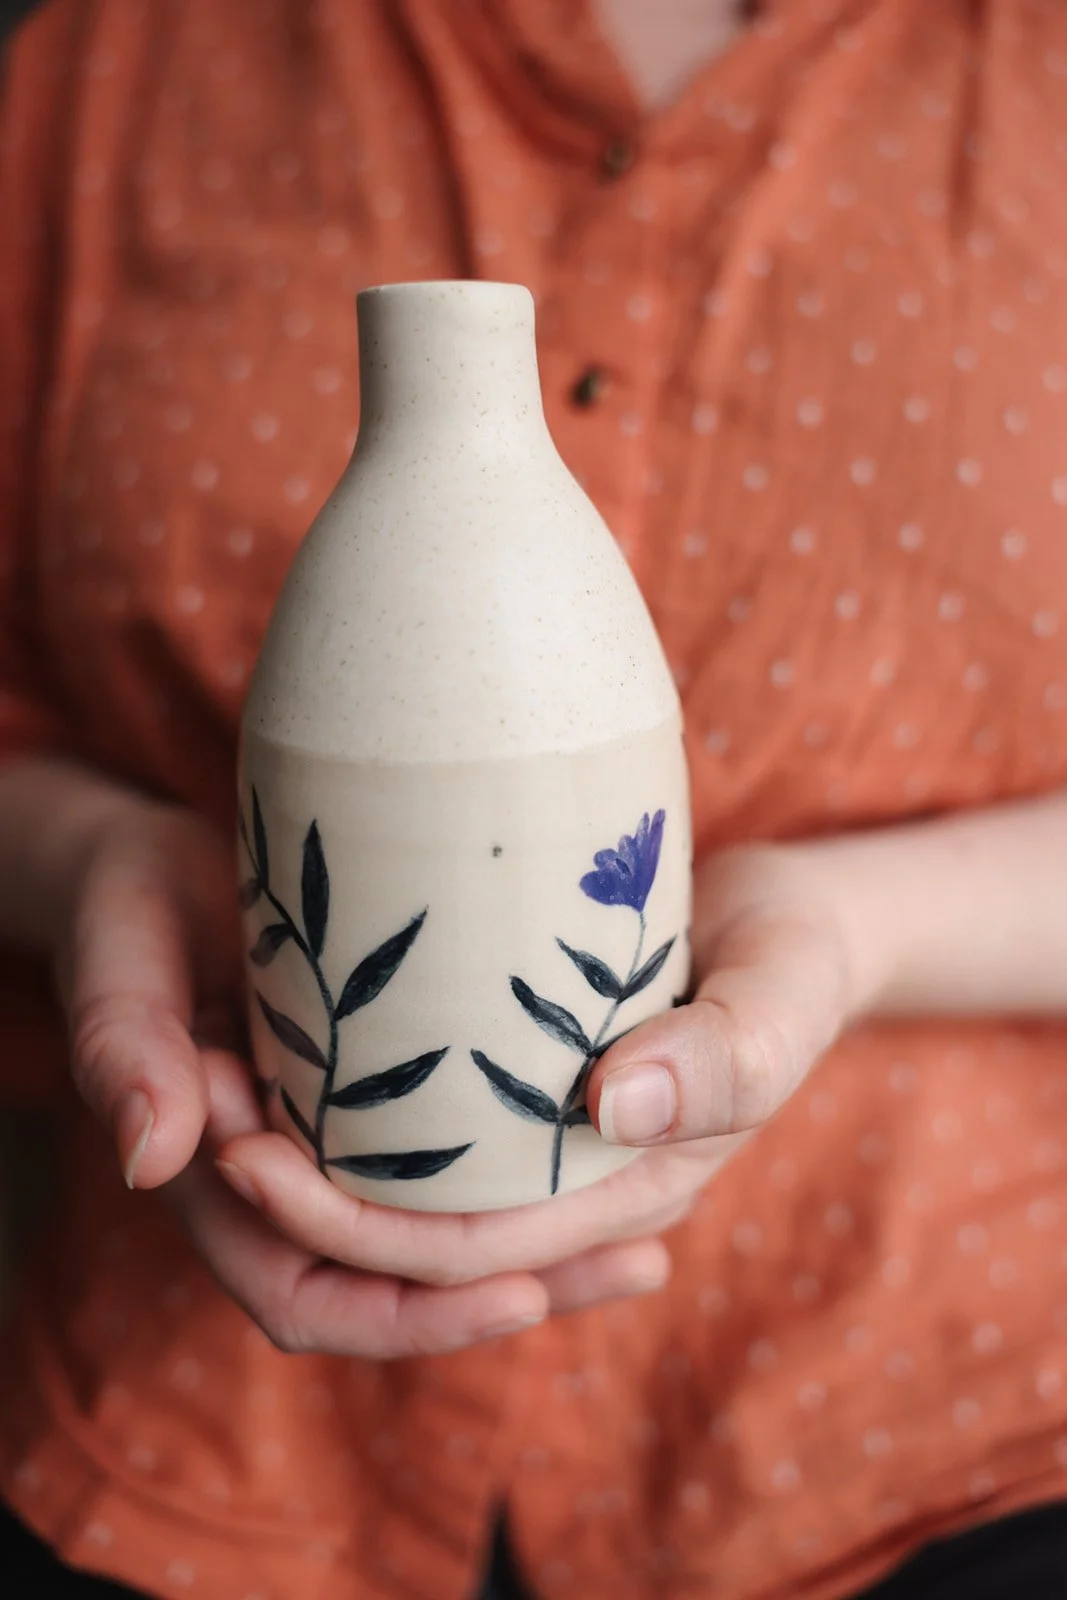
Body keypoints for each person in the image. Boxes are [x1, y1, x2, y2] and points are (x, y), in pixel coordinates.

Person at [2, 0, 1067, 1595]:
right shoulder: (107, 67)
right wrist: (94, 861)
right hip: (191, 1460)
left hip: (918, 1429)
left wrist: (857, 928)